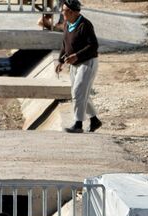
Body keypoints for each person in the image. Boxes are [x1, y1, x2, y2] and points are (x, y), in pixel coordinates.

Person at [56, 0, 102, 134]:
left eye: (63, 10)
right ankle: (94, 120)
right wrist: (60, 60)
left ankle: (78, 124)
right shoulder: (67, 24)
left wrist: (76, 55)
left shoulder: (85, 25)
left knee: (78, 93)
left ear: (71, 12)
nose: (62, 13)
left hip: (87, 62)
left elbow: (93, 46)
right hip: (74, 64)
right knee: (82, 94)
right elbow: (65, 44)